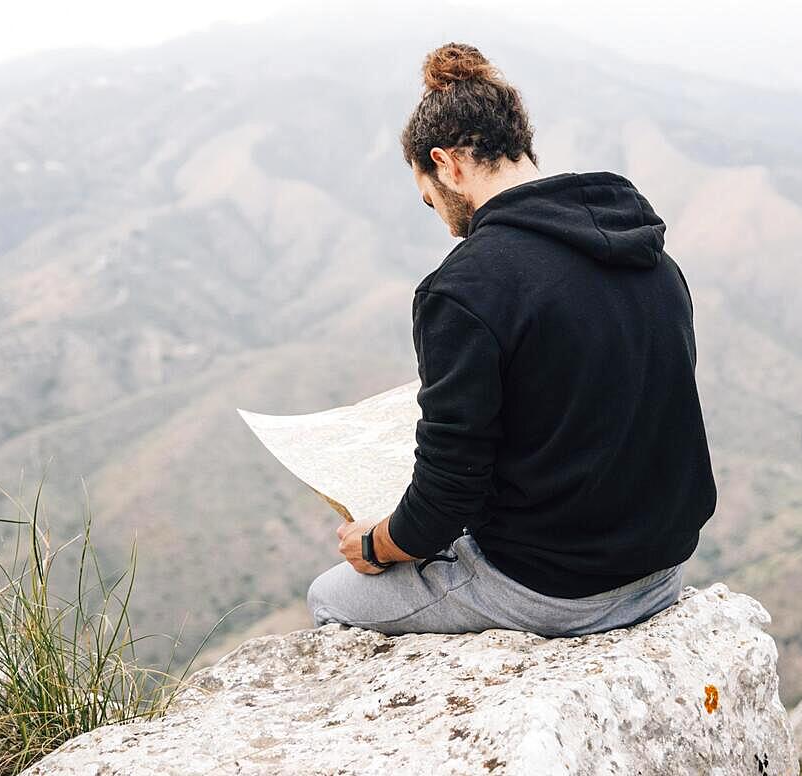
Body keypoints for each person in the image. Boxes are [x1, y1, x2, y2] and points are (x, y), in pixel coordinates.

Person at [307, 41, 717, 637]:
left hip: (557, 584)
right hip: (663, 563)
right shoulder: (647, 250)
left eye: (430, 199)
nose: (445, 221)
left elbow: (443, 504)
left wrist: (374, 542)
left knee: (330, 595)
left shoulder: (465, 289)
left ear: (446, 164)